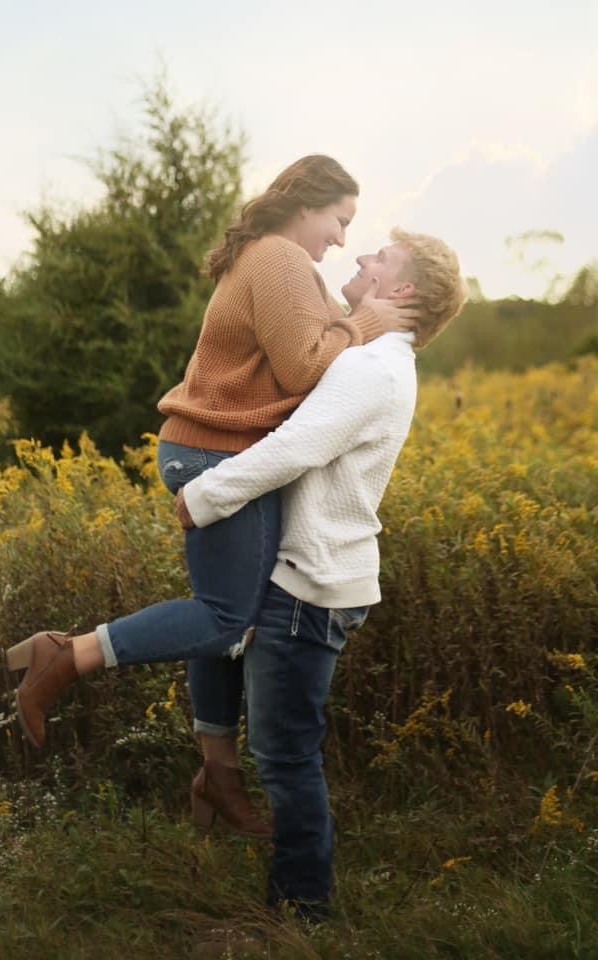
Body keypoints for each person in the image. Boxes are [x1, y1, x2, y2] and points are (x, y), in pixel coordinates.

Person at [6, 156, 418, 839]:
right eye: (341, 221)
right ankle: (66, 655)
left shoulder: (275, 257)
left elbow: (307, 357)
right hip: (220, 452)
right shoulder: (283, 259)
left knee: (227, 616)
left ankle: (218, 774)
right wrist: (370, 324)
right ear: (307, 206)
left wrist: (354, 321)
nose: (344, 239)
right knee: (227, 620)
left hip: (208, 447)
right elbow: (305, 367)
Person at [175, 228, 468, 919]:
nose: (362, 257)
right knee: (230, 668)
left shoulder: (373, 370)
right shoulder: (372, 358)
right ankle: (228, 809)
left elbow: (298, 446)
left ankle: (302, 910)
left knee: (284, 758)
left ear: (402, 292)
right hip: (310, 578)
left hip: (311, 589)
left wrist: (207, 496)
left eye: (381, 259)